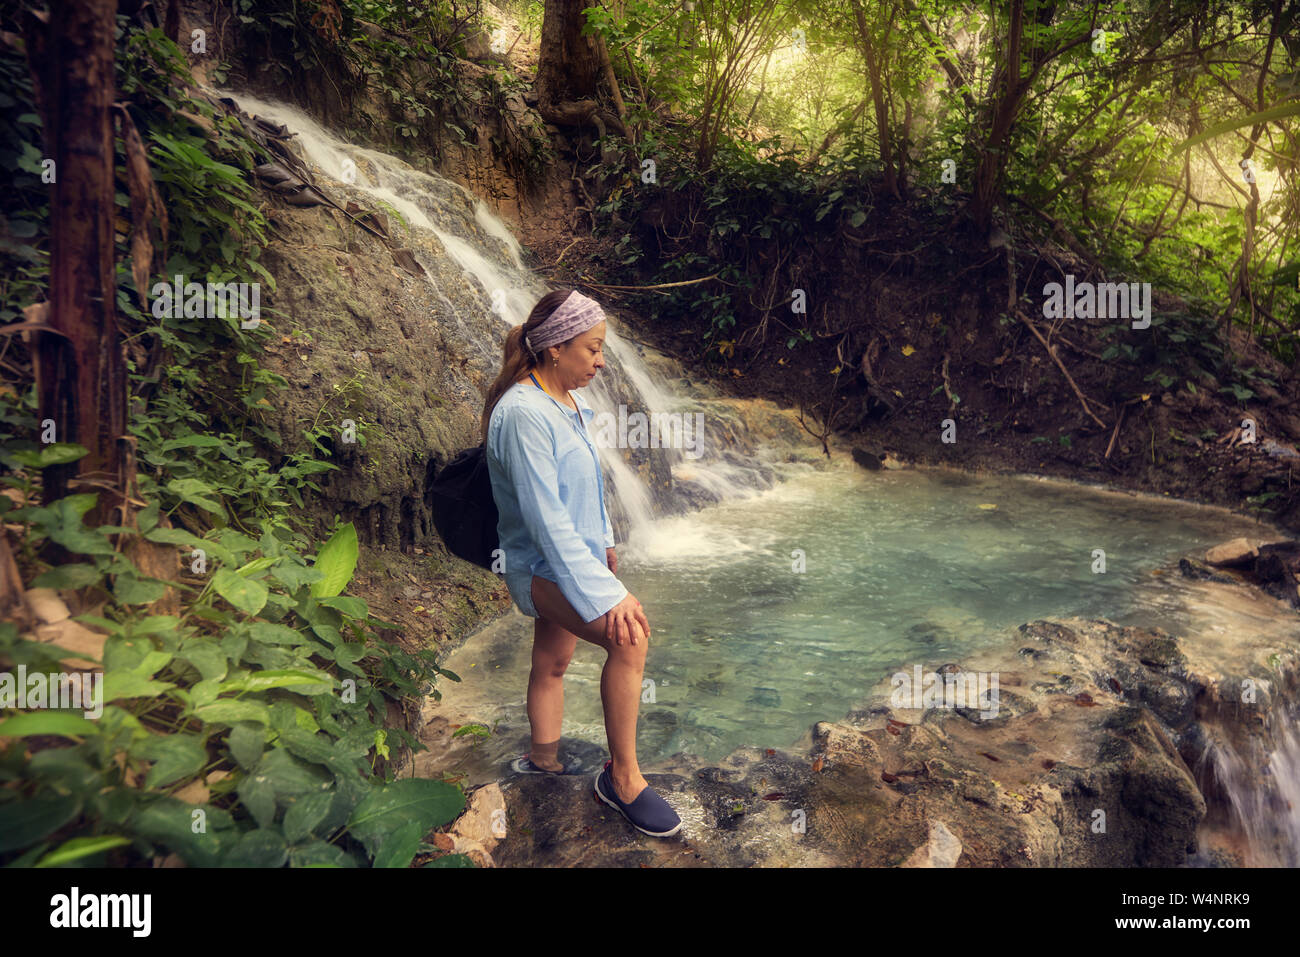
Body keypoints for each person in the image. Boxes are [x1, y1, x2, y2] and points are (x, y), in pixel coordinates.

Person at [481, 289, 683, 838]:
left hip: (574, 557)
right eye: (592, 349)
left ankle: (541, 760)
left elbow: (583, 488)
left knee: (553, 660)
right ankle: (623, 780)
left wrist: (607, 540)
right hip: (540, 565)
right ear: (555, 347)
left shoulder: (564, 402)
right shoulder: (523, 413)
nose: (600, 361)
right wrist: (609, 593)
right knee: (630, 637)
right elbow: (545, 520)